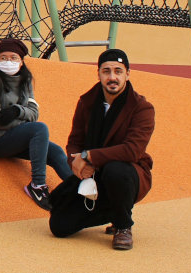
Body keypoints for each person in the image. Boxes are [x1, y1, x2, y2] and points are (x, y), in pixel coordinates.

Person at [49, 49, 155, 251]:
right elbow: (74, 141)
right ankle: (115, 210)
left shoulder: (142, 108)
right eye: (106, 71)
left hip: (128, 174)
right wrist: (77, 163)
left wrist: (89, 157)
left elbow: (132, 150)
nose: (112, 77)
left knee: (116, 170)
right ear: (98, 74)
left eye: (118, 71)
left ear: (128, 74)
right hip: (93, 177)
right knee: (59, 226)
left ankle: (123, 226)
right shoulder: (87, 102)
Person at [0, 37, 73, 210]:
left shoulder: (25, 79)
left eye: (13, 58)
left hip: (12, 134)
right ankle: (37, 185)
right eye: (3, 58)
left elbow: (34, 113)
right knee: (39, 130)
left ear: (22, 61)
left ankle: (78, 190)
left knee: (54, 151)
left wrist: (17, 111)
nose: (8, 62)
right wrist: (24, 123)